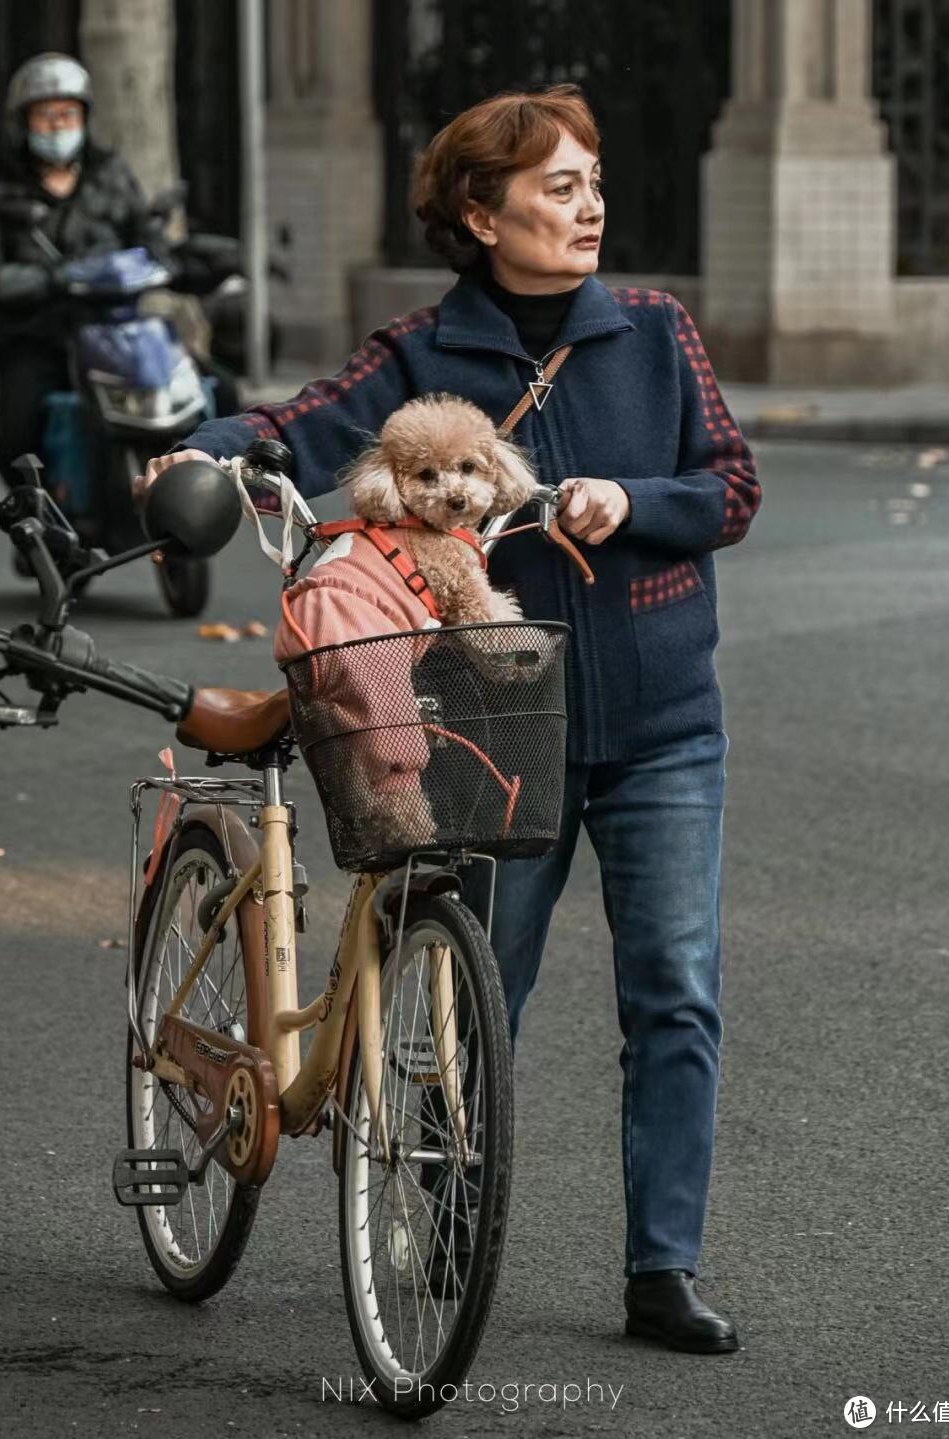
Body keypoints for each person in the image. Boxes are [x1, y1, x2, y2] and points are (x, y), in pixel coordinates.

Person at [141, 85, 761, 1354]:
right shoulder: (422, 352)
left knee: (677, 993)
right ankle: (437, 1222)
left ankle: (664, 1267)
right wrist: (198, 449)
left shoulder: (653, 329)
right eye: (556, 188)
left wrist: (624, 498)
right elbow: (291, 423)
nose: (588, 207)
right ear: (481, 214)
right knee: (482, 988)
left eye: (593, 182)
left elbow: (731, 486)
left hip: (663, 719)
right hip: (490, 724)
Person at [0, 52, 166, 489]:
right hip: (37, 339)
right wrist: (54, 280)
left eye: (68, 115)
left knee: (200, 397)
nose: (57, 126)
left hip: (117, 334)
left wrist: (188, 260)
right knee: (17, 438)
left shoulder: (111, 174)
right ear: (24, 122)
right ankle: (39, 532)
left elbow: (149, 243)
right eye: (45, 116)